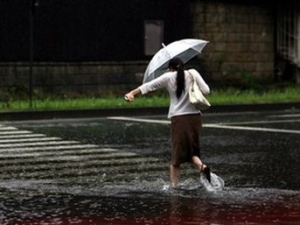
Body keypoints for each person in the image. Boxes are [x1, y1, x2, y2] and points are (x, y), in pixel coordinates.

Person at [124, 57, 211, 188]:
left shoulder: (168, 77)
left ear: (170, 68)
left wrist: (132, 93)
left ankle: (174, 187)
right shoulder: (193, 72)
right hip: (195, 118)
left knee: (176, 157)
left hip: (179, 119)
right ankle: (202, 167)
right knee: (192, 149)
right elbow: (206, 91)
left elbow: (149, 86)